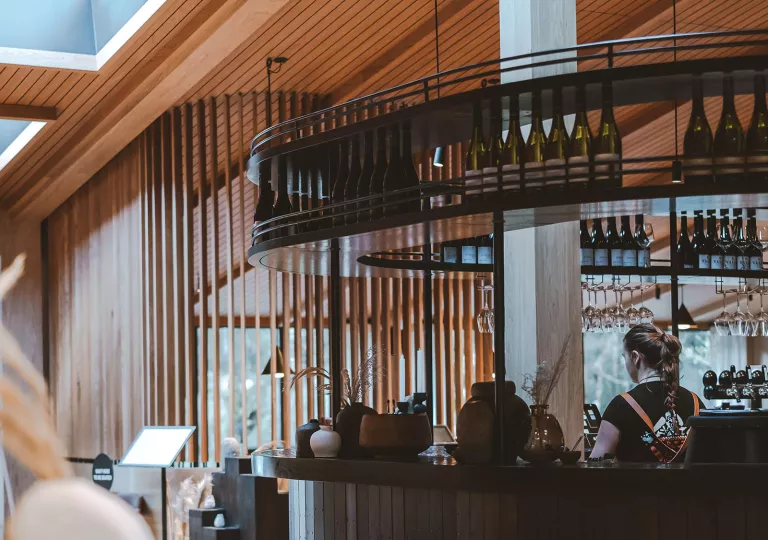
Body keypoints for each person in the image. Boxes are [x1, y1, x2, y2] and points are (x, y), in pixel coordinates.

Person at [590, 323, 703, 463]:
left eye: (625, 357)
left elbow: (596, 464)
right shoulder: (695, 402)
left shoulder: (621, 406)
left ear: (635, 357)